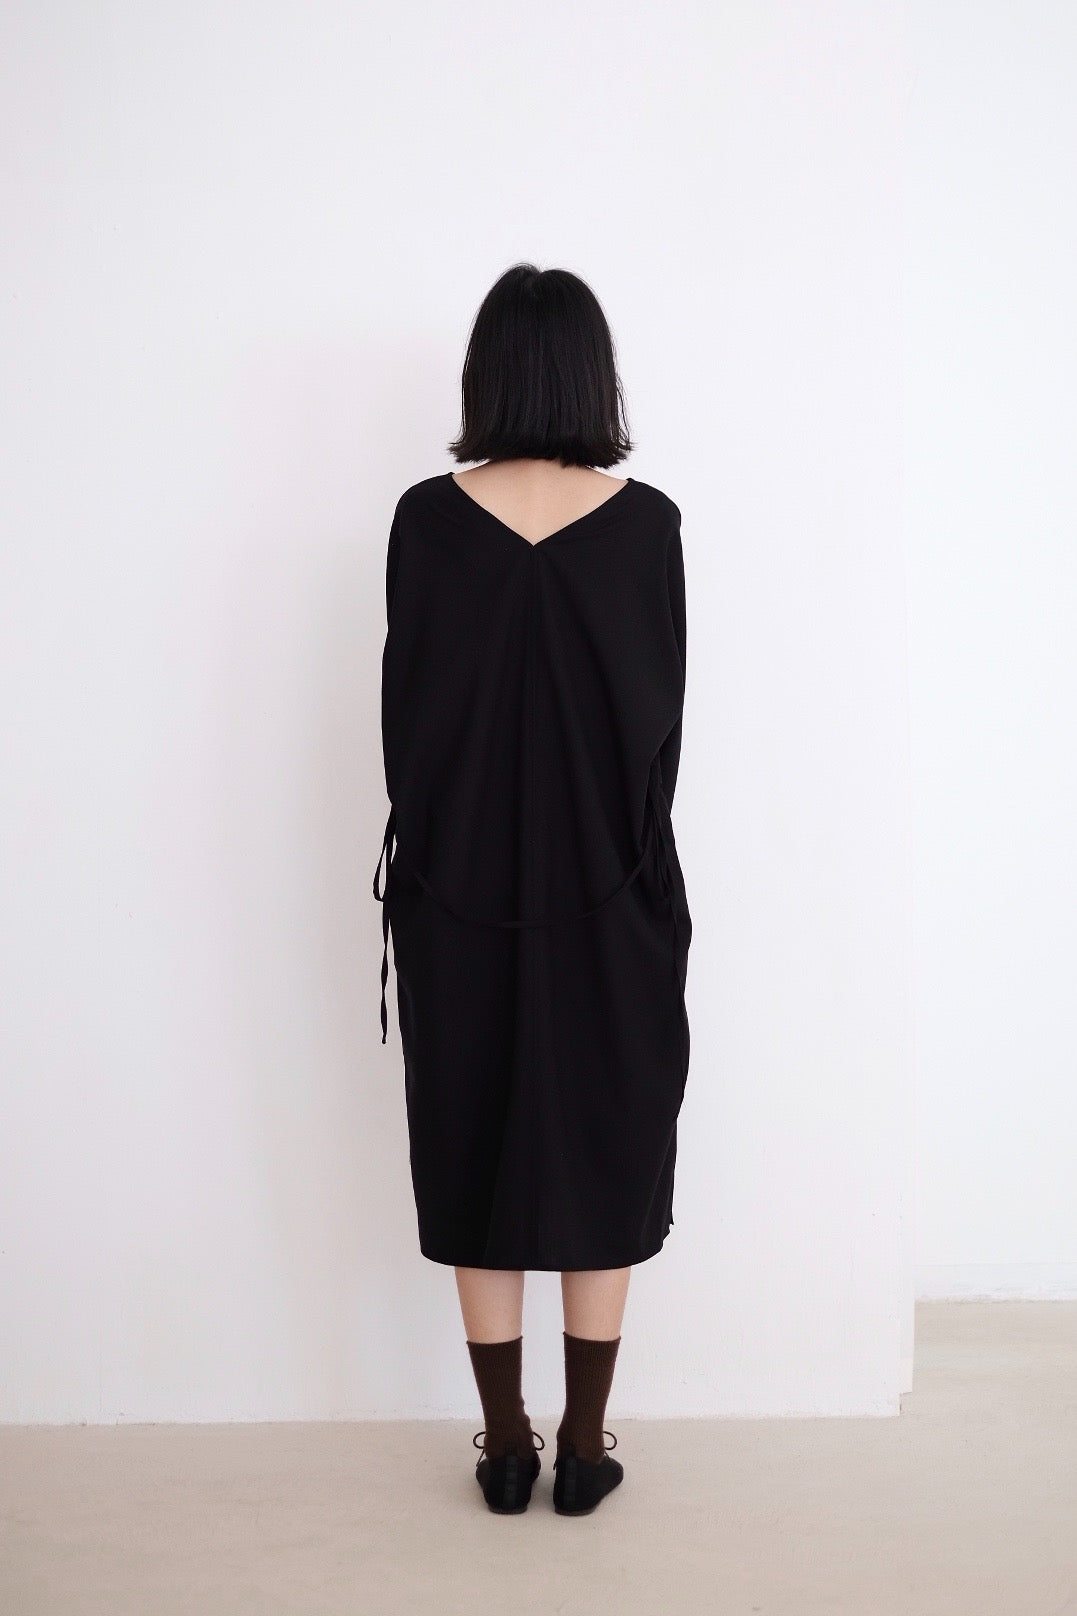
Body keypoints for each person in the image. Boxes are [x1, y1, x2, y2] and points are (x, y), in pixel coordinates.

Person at [374, 262, 692, 1515]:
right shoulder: (648, 525)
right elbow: (662, 735)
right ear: (593, 377)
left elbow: (406, 724)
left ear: (488, 376)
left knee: (478, 1142)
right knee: (607, 1143)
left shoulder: (425, 520)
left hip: (458, 890)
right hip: (614, 887)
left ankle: (504, 1442)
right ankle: (584, 1442)